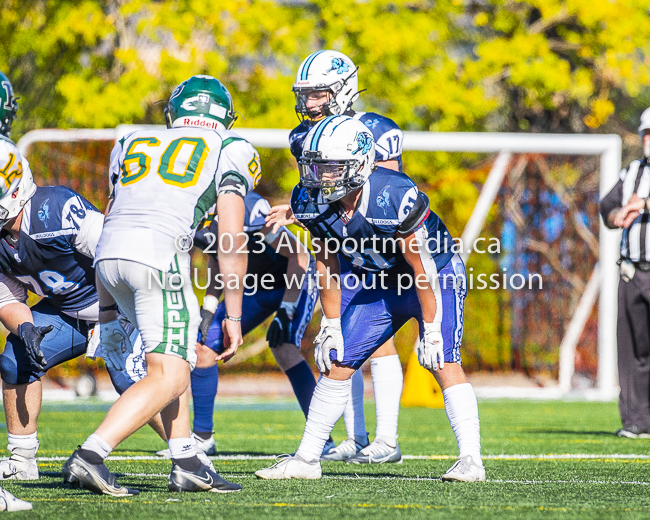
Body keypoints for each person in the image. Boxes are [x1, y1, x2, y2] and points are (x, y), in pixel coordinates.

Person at [255, 116, 484, 482]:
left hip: (434, 274)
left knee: (442, 360)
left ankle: (471, 460)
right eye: (316, 166)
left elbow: (421, 265)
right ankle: (307, 459)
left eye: (330, 168)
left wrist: (431, 327)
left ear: (359, 164)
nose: (320, 176)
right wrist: (330, 323)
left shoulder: (392, 194)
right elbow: (326, 261)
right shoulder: (310, 199)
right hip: (382, 280)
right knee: (337, 360)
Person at [62, 75, 252, 495]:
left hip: (108, 257)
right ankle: (92, 454)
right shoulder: (230, 148)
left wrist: (108, 309)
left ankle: (186, 458)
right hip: (157, 257)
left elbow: (113, 217)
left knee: (172, 359)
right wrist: (233, 314)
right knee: (170, 371)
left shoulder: (132, 139)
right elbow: (231, 239)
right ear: (225, 118)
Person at [0, 71, 149, 487]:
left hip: (119, 304)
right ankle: (22, 458)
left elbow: (115, 251)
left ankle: (186, 452)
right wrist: (26, 328)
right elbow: (6, 298)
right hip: (69, 312)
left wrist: (111, 315)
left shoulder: (54, 210)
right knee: (15, 356)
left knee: (131, 378)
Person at [270, 49, 406, 463]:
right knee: (338, 338)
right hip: (336, 246)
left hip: (374, 245)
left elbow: (391, 191)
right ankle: (357, 436)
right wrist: (297, 211)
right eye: (305, 95)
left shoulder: (377, 129)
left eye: (319, 93)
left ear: (343, 90)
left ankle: (387, 439)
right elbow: (319, 190)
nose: (309, 103)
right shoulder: (302, 136)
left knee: (378, 341)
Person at [156, 189, 324, 456]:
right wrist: (209, 308)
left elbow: (299, 256)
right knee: (204, 348)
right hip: (253, 287)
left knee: (284, 347)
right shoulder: (191, 216)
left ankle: (322, 440)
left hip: (294, 280)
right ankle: (202, 437)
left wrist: (287, 307)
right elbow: (217, 258)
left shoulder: (247, 207)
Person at [599, 106, 650, 438]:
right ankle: (636, 421)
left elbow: (639, 204)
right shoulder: (632, 171)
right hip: (633, 272)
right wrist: (618, 213)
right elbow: (606, 207)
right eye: (647, 134)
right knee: (632, 350)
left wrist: (643, 204)